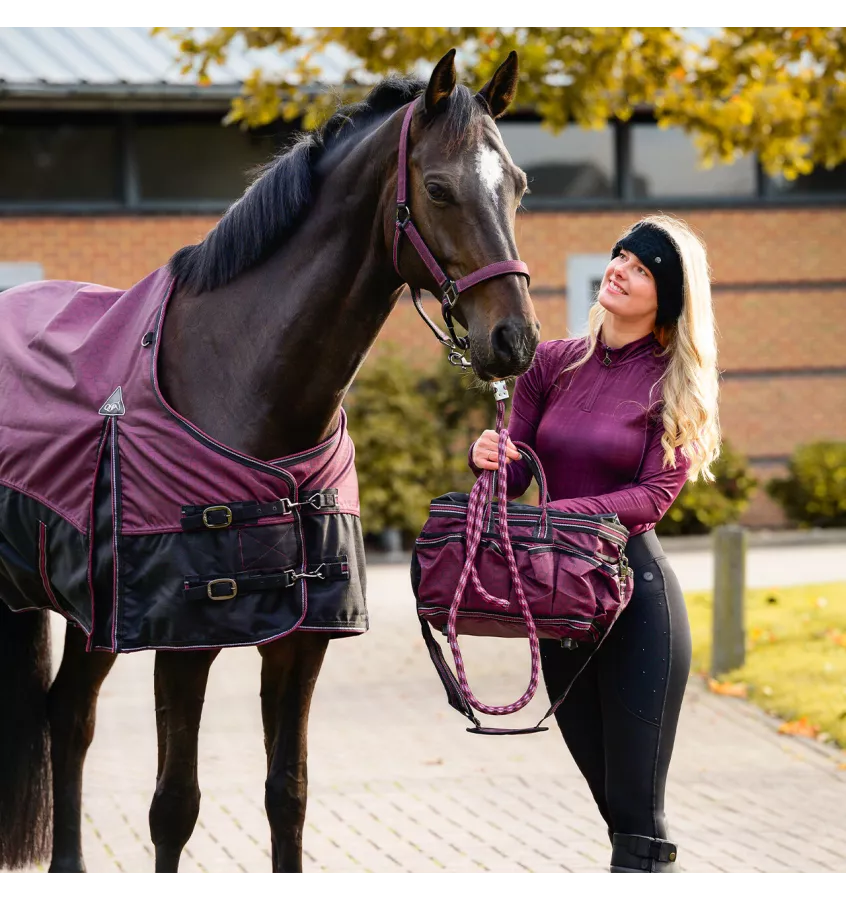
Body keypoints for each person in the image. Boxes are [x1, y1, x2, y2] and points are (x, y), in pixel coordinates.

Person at [469, 214, 721, 879]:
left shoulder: (676, 384)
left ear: (667, 298)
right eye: (619, 256)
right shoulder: (552, 363)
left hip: (636, 602)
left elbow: (650, 499)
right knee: (612, 806)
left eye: (641, 268)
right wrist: (491, 457)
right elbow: (519, 473)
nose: (620, 269)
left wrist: (562, 519)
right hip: (562, 605)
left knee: (640, 810)